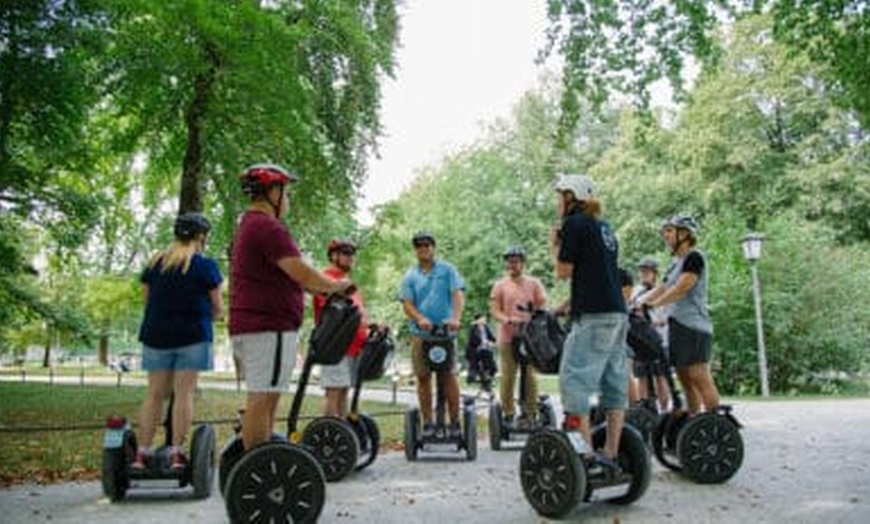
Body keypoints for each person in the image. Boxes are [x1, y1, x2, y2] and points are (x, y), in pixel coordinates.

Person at [229, 163, 354, 452]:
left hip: (258, 325)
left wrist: (317, 288)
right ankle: (257, 463)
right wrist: (336, 285)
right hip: (267, 326)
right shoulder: (268, 227)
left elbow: (291, 277)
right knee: (262, 397)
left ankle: (262, 454)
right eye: (285, 193)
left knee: (267, 395)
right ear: (272, 192)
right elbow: (302, 272)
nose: (287, 200)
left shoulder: (251, 225)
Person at [134, 212, 224, 469]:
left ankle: (142, 453)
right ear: (201, 236)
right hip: (193, 337)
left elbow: (146, 302)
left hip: (156, 335)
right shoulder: (205, 266)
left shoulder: (155, 263)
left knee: (154, 394)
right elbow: (218, 309)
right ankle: (176, 453)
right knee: (184, 394)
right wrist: (211, 316)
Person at [549, 173, 627, 473]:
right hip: (617, 313)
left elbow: (563, 272)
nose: (557, 202)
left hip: (593, 316)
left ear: (571, 197)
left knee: (574, 380)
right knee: (613, 382)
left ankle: (585, 456)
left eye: (560, 196)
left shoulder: (575, 223)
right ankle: (612, 452)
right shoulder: (604, 227)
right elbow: (597, 273)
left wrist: (555, 245)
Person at [637, 215, 719, 415]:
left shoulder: (694, 257)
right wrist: (638, 303)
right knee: (684, 378)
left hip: (694, 325)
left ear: (684, 234)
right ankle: (693, 419)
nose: (665, 235)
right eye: (665, 231)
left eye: (670, 231)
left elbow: (682, 287)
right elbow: (663, 287)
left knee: (699, 375)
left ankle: (715, 421)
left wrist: (654, 304)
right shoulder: (675, 263)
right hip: (678, 324)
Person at [399, 231, 465, 438]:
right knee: (423, 376)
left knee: (449, 375)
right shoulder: (410, 275)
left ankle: (454, 422)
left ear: (433, 248)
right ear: (416, 250)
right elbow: (407, 304)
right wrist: (420, 318)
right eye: (420, 246)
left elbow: (457, 294)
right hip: (421, 334)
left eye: (427, 245)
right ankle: (427, 422)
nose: (424, 249)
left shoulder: (447, 270)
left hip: (446, 332)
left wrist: (456, 318)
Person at [313, 238, 376, 417]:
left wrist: (371, 324)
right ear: (333, 256)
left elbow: (358, 313)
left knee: (343, 392)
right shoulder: (326, 279)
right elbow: (335, 313)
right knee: (333, 392)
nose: (351, 257)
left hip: (352, 346)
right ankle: (330, 430)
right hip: (335, 346)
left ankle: (341, 429)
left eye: (352, 254)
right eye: (346, 253)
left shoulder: (348, 283)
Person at [489, 245, 548, 429]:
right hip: (508, 337)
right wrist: (507, 319)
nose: (512, 265)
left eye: (516, 261)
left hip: (530, 337)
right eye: (510, 261)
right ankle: (508, 413)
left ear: (523, 263)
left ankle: (530, 412)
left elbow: (542, 304)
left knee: (530, 374)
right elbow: (494, 310)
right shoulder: (500, 285)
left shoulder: (534, 283)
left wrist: (536, 318)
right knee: (508, 375)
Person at [630, 256, 673, 411]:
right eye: (642, 271)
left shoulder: (662, 291)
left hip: (659, 339)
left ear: (655, 274)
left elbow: (667, 317)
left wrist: (651, 321)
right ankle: (645, 409)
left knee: (660, 376)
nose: (644, 275)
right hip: (640, 341)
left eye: (647, 272)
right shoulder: (635, 291)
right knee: (641, 375)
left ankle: (664, 409)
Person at [464, 312, 495, 385]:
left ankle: (488, 375)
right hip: (475, 350)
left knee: (490, 359)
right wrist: (484, 342)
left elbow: (492, 338)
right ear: (478, 320)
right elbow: (473, 340)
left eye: (484, 318)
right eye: (482, 318)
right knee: (475, 362)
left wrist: (491, 342)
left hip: (484, 350)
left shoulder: (486, 327)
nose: (484, 319)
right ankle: (473, 375)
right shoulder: (473, 328)